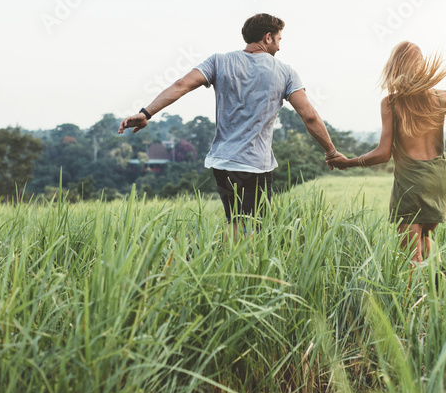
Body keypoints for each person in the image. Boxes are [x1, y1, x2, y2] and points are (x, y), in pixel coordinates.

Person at [118, 14, 343, 236]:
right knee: (255, 228)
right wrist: (331, 152)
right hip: (255, 164)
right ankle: (244, 270)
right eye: (279, 40)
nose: (279, 47)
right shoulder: (285, 72)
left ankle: (226, 267)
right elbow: (309, 116)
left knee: (235, 223)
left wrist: (145, 113)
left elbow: (181, 84)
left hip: (223, 162)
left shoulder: (219, 61)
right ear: (267, 38)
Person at [329, 41, 446, 264]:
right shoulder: (443, 96)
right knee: (425, 241)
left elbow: (383, 154)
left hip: (412, 184)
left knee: (411, 260)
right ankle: (441, 293)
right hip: (441, 182)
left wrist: (348, 162)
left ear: (396, 67)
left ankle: (415, 298)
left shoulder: (391, 103)